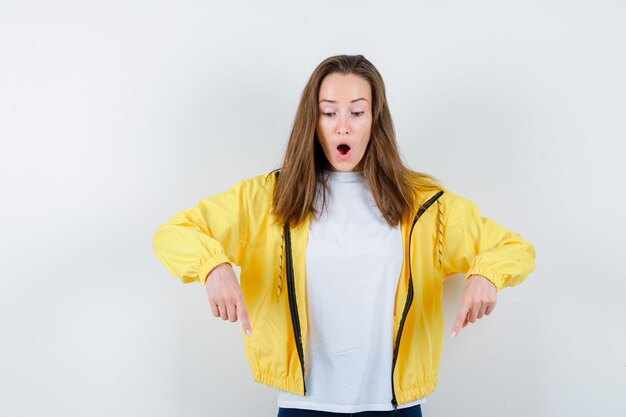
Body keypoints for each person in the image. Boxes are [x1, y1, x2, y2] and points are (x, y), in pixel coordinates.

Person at [152, 54, 536, 417]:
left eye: (356, 112)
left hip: (395, 407)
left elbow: (513, 248)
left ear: (374, 119)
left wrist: (486, 273)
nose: (343, 126)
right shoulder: (268, 199)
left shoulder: (423, 204)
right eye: (329, 112)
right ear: (312, 120)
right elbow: (173, 233)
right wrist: (213, 266)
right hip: (304, 405)